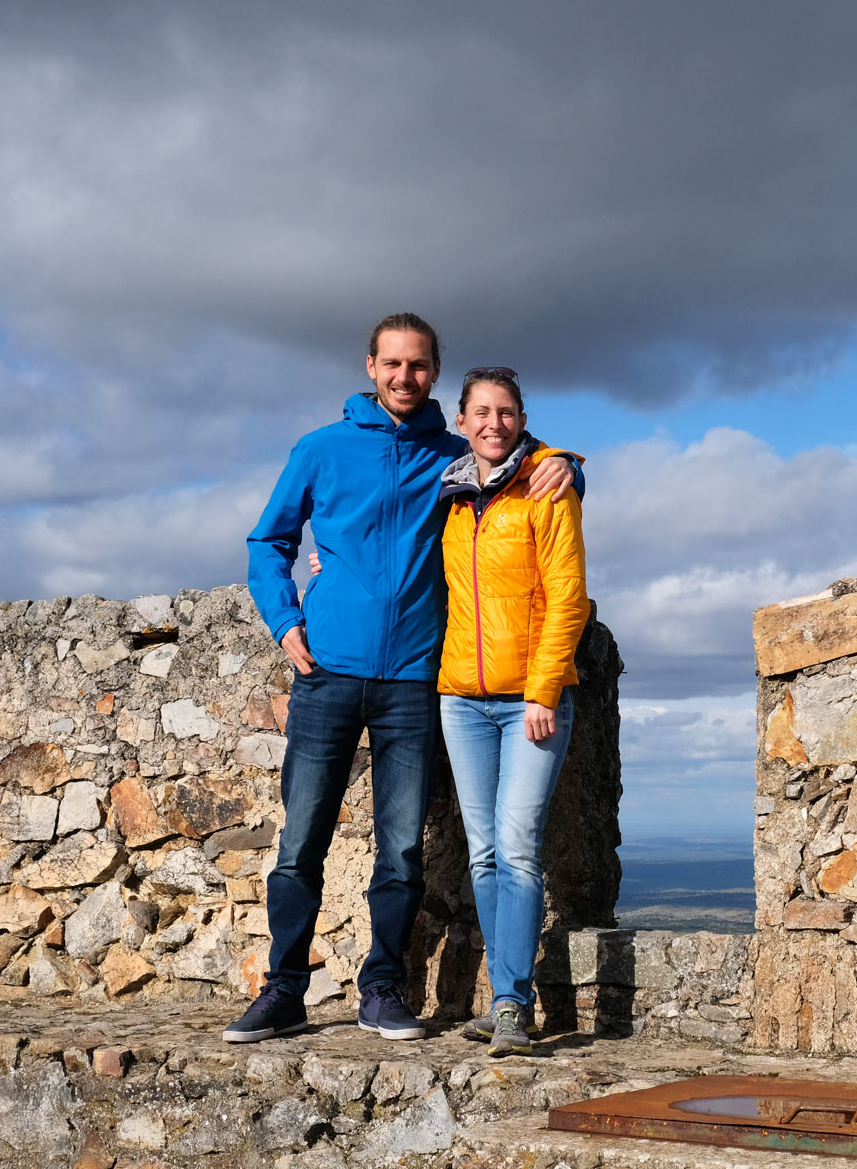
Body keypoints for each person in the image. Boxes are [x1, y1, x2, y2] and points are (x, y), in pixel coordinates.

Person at [227, 314, 580, 1044]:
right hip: (326, 672)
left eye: (418, 366)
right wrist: (286, 619)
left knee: (402, 849)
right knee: (300, 844)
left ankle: (383, 990)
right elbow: (269, 540)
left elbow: (512, 462)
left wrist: (570, 462)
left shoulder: (450, 456)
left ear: (434, 376)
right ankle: (284, 990)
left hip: (416, 679)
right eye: (393, 363)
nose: (404, 376)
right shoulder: (321, 449)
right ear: (370, 367)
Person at [436, 366, 592, 1057]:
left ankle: (511, 1005)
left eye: (506, 411)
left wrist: (543, 688)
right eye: (481, 411)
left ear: (522, 418)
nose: (493, 422)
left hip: (531, 698)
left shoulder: (546, 484)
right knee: (485, 852)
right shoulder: (449, 493)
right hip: (460, 698)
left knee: (519, 847)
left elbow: (568, 596)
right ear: (463, 420)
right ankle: (503, 1001)